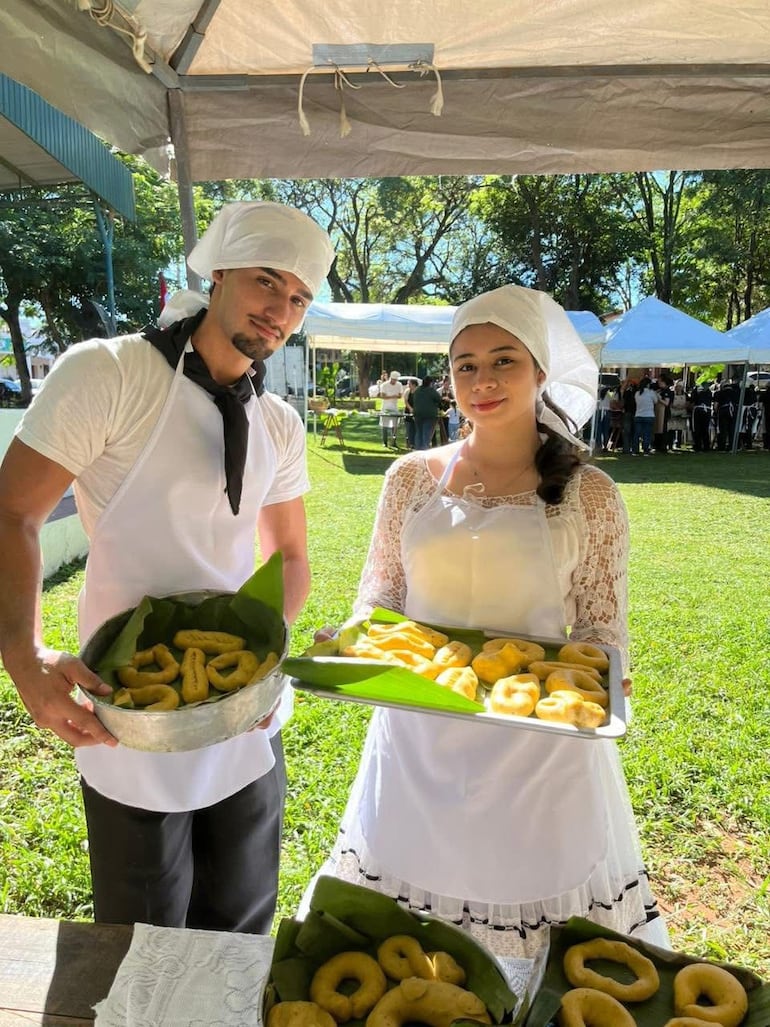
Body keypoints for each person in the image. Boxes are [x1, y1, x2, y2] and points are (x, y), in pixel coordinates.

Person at [0, 201, 335, 933]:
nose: (281, 309)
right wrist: (24, 659)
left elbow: (290, 553)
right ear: (217, 274)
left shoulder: (276, 422)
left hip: (246, 718)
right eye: (266, 281)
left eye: (300, 297)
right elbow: (12, 513)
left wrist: (258, 661)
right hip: (130, 708)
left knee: (240, 924)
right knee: (143, 938)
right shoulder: (110, 374)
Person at [310, 284, 668, 959]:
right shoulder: (411, 477)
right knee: (407, 944)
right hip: (416, 737)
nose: (482, 380)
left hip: (540, 757)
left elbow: (600, 625)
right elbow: (382, 588)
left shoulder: (590, 493)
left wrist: (607, 676)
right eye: (465, 363)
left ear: (541, 371)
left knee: (537, 954)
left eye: (504, 360)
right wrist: (354, 631)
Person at [411, 375, 443, 450]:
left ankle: (418, 450)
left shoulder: (417, 390)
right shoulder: (431, 391)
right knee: (426, 433)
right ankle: (424, 450)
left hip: (417, 414)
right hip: (429, 415)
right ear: (430, 383)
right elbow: (439, 399)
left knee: (419, 433)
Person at [378, 370, 404, 449]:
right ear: (390, 378)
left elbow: (400, 395)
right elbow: (383, 396)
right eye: (393, 380)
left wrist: (392, 396)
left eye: (395, 380)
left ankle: (394, 441)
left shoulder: (399, 385)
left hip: (394, 407)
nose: (394, 382)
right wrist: (393, 396)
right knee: (384, 425)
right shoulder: (384, 385)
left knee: (394, 425)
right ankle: (385, 442)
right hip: (385, 407)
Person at [633, 376, 657, 455]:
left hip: (638, 415)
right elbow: (656, 401)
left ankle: (635, 450)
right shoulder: (651, 392)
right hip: (649, 415)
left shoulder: (637, 393)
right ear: (648, 384)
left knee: (637, 434)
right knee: (647, 434)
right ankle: (646, 450)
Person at [402, 378, 417, 450]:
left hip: (416, 412)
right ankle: (409, 443)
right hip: (408, 411)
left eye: (409, 384)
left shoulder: (418, 391)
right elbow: (405, 401)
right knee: (409, 428)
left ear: (414, 385)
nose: (408, 385)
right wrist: (410, 409)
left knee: (415, 428)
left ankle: (415, 443)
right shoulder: (407, 391)